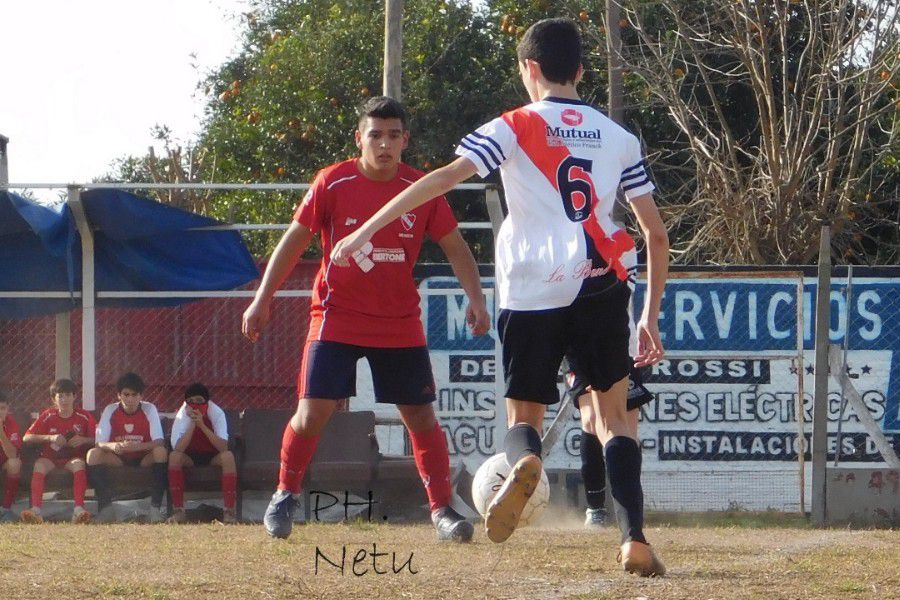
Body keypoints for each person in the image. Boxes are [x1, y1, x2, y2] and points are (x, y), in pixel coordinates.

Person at [331, 19, 668, 576]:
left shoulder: (512, 126)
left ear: (529, 70)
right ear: (581, 71)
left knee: (522, 413)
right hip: (603, 282)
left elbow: (442, 180)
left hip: (532, 286)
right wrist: (648, 317)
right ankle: (634, 539)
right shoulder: (620, 138)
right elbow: (655, 235)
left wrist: (366, 228)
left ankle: (527, 458)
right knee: (614, 419)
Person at [242, 96, 490, 542]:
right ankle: (284, 496)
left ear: (405, 140)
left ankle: (441, 511)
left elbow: (456, 246)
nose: (384, 144)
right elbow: (294, 240)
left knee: (420, 415)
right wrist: (262, 299)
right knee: (313, 411)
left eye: (393, 135)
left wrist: (477, 299)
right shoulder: (332, 182)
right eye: (375, 135)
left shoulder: (422, 188)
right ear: (360, 138)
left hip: (398, 321)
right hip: (336, 316)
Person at [564, 358, 654, 528]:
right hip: (579, 350)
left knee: (627, 430)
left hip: (620, 351)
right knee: (591, 419)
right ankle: (596, 509)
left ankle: (631, 510)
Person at [86, 372, 168, 523]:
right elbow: (99, 443)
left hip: (143, 459)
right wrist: (113, 446)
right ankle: (106, 509)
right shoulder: (110, 410)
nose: (130, 399)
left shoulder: (149, 409)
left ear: (141, 396)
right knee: (93, 454)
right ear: (119, 395)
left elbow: (159, 442)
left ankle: (155, 509)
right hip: (118, 458)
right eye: (126, 394)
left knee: (161, 452)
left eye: (134, 395)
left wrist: (136, 447)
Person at [21, 378, 96, 524]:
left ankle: (78, 510)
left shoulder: (84, 416)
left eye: (68, 395)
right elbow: (26, 437)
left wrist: (84, 440)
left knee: (79, 464)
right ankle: (36, 511)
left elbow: (98, 439)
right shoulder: (48, 415)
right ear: (53, 399)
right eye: (60, 395)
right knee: (39, 465)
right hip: (50, 458)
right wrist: (50, 438)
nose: (64, 399)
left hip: (72, 458)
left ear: (75, 396)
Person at [167, 382, 238, 524]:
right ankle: (179, 511)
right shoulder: (182, 415)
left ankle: (229, 512)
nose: (195, 405)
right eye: (191, 402)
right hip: (190, 456)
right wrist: (193, 424)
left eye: (199, 401)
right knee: (174, 457)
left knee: (228, 457)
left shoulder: (216, 413)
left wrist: (202, 425)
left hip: (212, 455)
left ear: (207, 401)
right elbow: (178, 448)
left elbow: (223, 447)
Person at [0, 391, 23, 522]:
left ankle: (6, 509)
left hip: (4, 462)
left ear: (8, 409)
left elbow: (12, 454)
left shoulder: (11, 423)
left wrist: (1, 432)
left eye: (2, 408)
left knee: (15, 463)